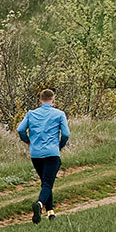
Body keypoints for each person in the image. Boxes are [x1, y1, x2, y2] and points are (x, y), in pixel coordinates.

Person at [17, 90, 72, 220]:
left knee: (45, 182)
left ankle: (50, 212)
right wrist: (60, 145)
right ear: (53, 100)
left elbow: (20, 129)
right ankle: (40, 204)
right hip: (52, 152)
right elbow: (66, 134)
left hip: (36, 154)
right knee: (48, 182)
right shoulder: (59, 114)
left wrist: (27, 141)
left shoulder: (31, 114)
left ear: (40, 100)